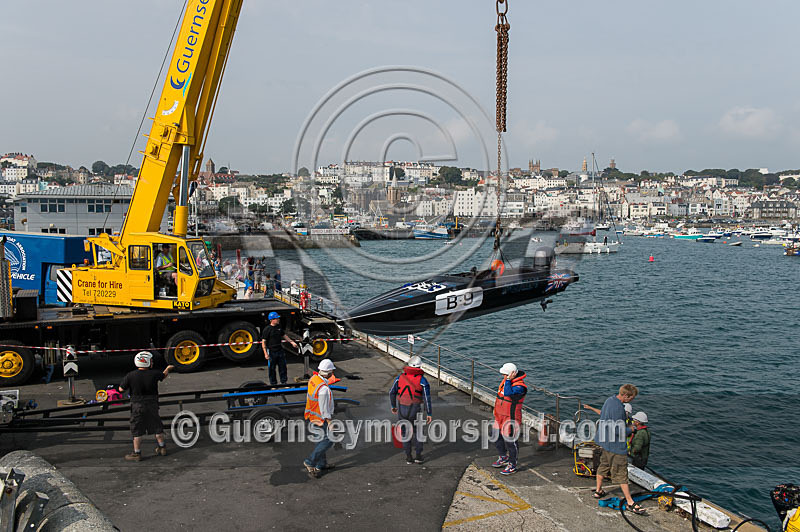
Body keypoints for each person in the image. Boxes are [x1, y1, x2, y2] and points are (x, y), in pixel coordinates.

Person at [593, 384, 646, 515]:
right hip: (615, 446)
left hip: (605, 442)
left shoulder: (609, 401)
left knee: (603, 466)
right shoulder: (618, 408)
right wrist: (631, 429)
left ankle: (598, 491)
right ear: (626, 396)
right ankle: (630, 502)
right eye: (632, 398)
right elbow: (617, 430)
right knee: (621, 474)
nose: (632, 400)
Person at [118, 352, 175, 461]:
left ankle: (137, 453)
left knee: (137, 429)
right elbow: (163, 375)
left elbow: (121, 389)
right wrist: (168, 368)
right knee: (157, 425)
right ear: (146, 362)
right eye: (151, 361)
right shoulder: (154, 373)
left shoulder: (131, 375)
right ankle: (162, 447)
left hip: (137, 405)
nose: (152, 362)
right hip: (152, 404)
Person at [389, 356, 433, 464]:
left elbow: (392, 392)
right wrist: (429, 413)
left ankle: (408, 457)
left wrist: (393, 406)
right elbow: (427, 399)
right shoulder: (422, 381)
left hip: (402, 409)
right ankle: (418, 456)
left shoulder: (399, 378)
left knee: (405, 433)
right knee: (418, 432)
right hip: (415, 410)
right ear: (420, 366)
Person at [491, 362, 527, 475]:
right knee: (495, 435)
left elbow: (508, 394)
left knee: (511, 441)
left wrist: (507, 380)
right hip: (499, 415)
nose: (504, 376)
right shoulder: (506, 381)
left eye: (506, 375)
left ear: (512, 374)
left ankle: (512, 464)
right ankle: (503, 456)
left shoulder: (520, 387)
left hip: (510, 418)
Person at [303, 359, 337, 479]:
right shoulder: (324, 389)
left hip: (311, 415)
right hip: (320, 419)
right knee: (329, 440)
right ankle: (310, 461)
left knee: (320, 440)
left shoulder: (313, 379)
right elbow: (324, 409)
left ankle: (321, 464)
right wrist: (330, 422)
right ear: (329, 373)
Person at [260, 311, 297, 385]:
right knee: (272, 369)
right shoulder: (267, 329)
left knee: (283, 367)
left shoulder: (279, 327)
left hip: (280, 350)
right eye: (277, 318)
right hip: (271, 351)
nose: (278, 319)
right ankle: (273, 384)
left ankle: (284, 382)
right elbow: (263, 342)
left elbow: (284, 336)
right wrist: (265, 353)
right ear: (272, 320)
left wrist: (292, 342)